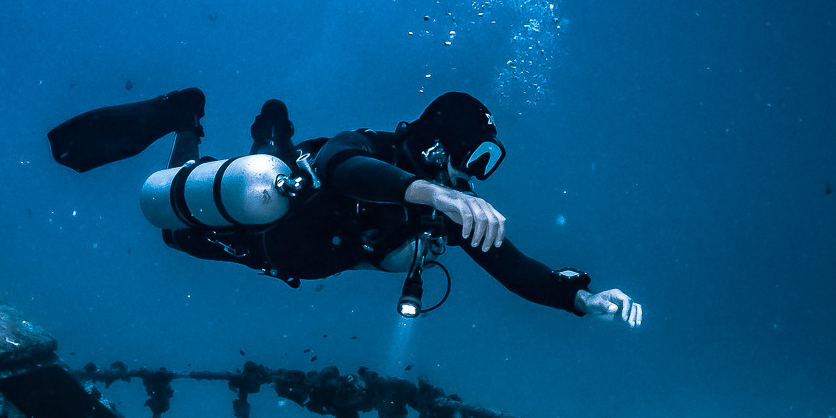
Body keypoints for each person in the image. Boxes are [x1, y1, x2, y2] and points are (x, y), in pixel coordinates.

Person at [47, 89, 642, 325]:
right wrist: (434, 191)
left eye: (482, 165)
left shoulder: (444, 209)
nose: (473, 175)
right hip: (263, 226)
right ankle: (189, 119)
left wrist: (582, 297)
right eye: (472, 158)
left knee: (239, 195)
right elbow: (339, 168)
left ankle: (270, 125)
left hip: (279, 261)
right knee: (186, 225)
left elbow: (513, 267)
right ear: (438, 144)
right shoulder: (368, 147)